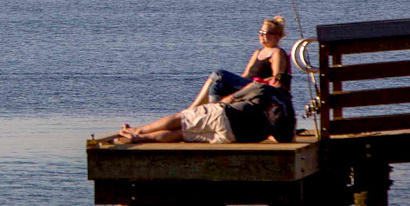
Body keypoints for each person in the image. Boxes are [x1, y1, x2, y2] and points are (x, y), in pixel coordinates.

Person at [119, 81, 295, 144]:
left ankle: (137, 132)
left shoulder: (263, 88)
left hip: (225, 115)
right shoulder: (289, 115)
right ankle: (143, 139)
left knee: (180, 119)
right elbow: (284, 139)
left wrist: (212, 107)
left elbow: (231, 99)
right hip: (233, 137)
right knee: (181, 135)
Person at [187, 16, 292, 109]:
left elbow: (277, 78)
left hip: (257, 87)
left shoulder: (277, 52)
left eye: (266, 33)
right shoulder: (257, 53)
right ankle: (209, 112)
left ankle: (195, 109)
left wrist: (258, 82)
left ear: (277, 36)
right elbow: (245, 75)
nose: (262, 36)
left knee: (219, 74)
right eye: (260, 32)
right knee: (216, 85)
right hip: (247, 84)